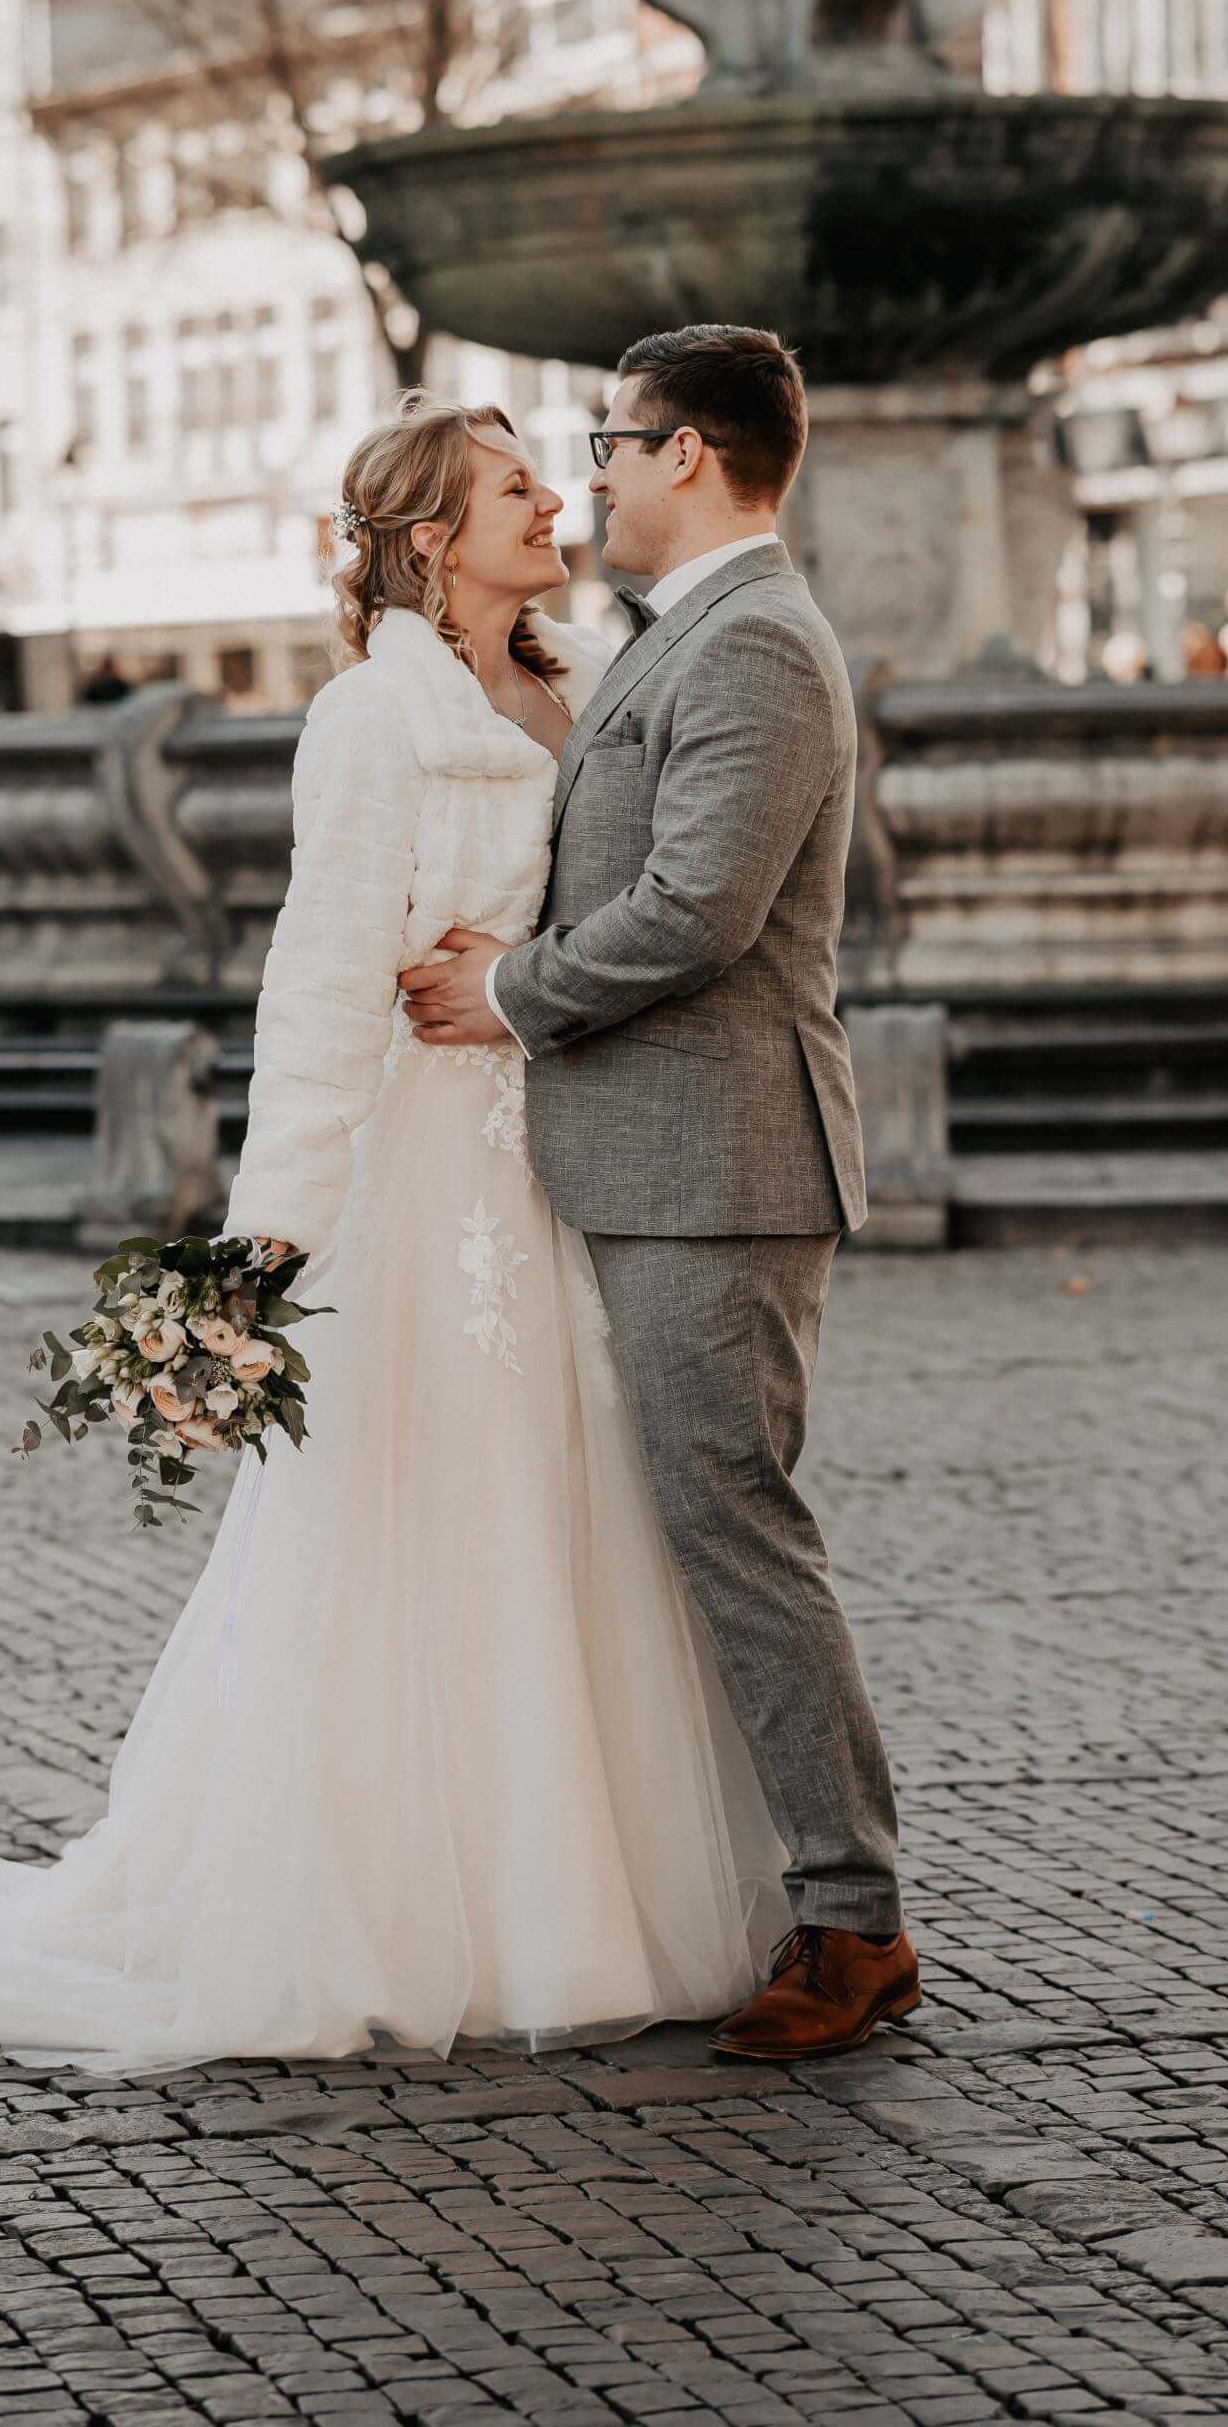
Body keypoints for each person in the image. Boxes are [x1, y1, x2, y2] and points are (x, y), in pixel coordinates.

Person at [0, 383, 864, 2073]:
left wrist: (519, 992)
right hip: (429, 1173)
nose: (553, 508)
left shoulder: (585, 686)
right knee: (425, 1532)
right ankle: (411, 1910)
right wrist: (270, 1244)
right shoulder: (366, 722)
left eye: (559, 476)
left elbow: (662, 904)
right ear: (429, 538)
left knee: (579, 1519)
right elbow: (317, 996)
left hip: (564, 1168)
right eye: (515, 489)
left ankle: (600, 1894)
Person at [399, 325, 910, 2060]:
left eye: (610, 444)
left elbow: (699, 910)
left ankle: (853, 1922)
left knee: (737, 1530)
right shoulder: (679, 633)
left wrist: (508, 990)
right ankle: (784, 1897)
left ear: (689, 454)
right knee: (699, 1529)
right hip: (648, 1157)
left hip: (720, 1167)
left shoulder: (758, 641)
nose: (592, 472)